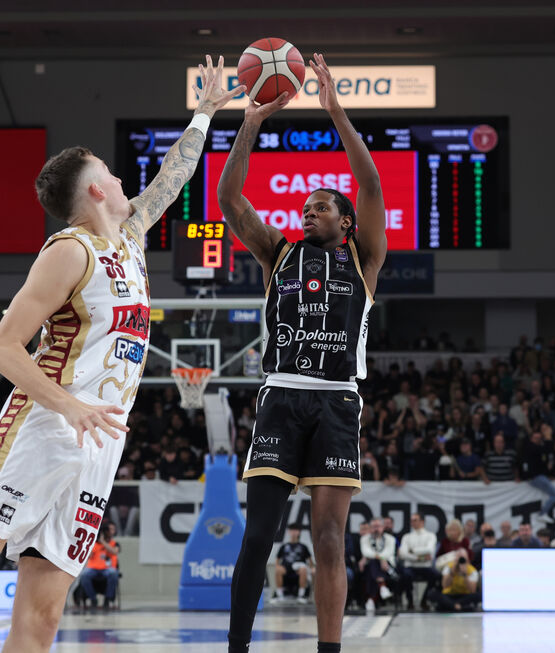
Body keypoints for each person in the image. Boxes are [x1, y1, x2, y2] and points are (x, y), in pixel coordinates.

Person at [0, 56, 238, 653]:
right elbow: (1, 348)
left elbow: (175, 176)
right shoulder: (68, 251)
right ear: (95, 189)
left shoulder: (132, 234)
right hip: (41, 429)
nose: (124, 182)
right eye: (113, 174)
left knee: (43, 613)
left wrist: (202, 115)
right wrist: (68, 406)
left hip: (98, 443)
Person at [219, 53, 388, 653]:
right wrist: (251, 122)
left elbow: (369, 185)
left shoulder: (364, 260)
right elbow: (229, 198)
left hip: (338, 403)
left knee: (329, 541)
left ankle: (329, 650)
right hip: (281, 399)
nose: (307, 211)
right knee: (257, 538)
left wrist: (337, 111)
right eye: (305, 207)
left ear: (344, 220)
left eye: (320, 207)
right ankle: (236, 648)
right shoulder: (277, 253)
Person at [397, 513, 440, 610]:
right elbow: (402, 554)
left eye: (415, 520)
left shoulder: (430, 536)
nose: (413, 522)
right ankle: (410, 601)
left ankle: (424, 600)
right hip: (411, 566)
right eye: (412, 520)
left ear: (422, 521)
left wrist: (411, 551)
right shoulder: (407, 537)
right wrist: (419, 558)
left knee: (436, 575)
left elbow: (429, 550)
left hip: (425, 566)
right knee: (406, 575)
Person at [358, 519, 397, 612]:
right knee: (372, 564)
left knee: (373, 564)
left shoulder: (390, 539)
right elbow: (366, 551)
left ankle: (371, 599)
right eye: (374, 527)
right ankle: (382, 586)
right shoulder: (365, 538)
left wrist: (380, 559)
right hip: (371, 567)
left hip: (387, 567)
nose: (376, 529)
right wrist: (380, 558)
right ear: (370, 528)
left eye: (378, 526)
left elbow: (389, 552)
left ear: (383, 527)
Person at [79, 526, 120, 609]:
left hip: (107, 568)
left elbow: (114, 551)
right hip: (93, 568)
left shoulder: (114, 543)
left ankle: (108, 598)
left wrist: (103, 542)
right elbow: (88, 555)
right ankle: (93, 598)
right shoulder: (94, 543)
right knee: (83, 575)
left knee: (113, 573)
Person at [273, 525, 315, 604]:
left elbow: (310, 560)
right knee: (278, 570)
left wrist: (312, 568)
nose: (293, 532)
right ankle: (280, 596)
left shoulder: (303, 546)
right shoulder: (284, 546)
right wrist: (277, 566)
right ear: (289, 532)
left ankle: (301, 596)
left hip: (299, 568)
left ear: (299, 532)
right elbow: (277, 559)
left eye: (295, 530)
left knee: (303, 569)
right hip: (286, 567)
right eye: (292, 530)